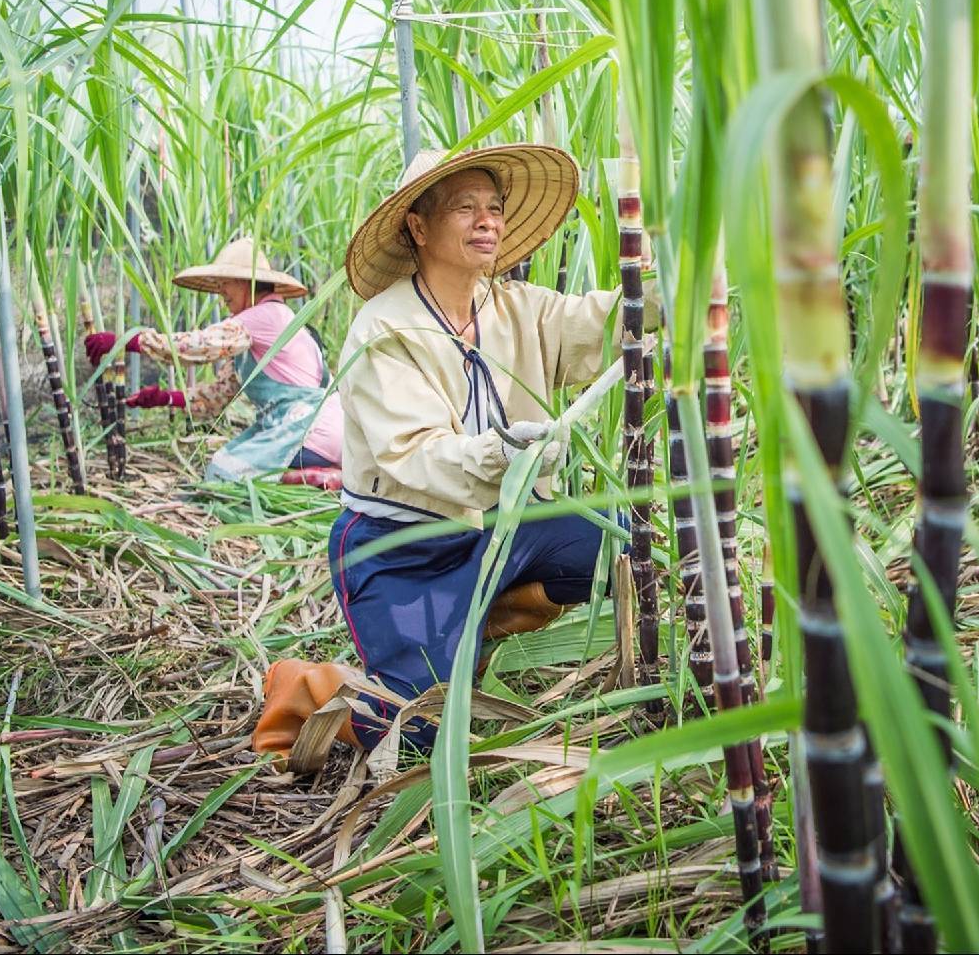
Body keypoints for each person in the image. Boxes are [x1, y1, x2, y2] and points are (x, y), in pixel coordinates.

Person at [253, 143, 640, 758]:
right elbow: (418, 456)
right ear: (418, 226)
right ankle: (303, 686)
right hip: (402, 547)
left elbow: (604, 322)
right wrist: (504, 453)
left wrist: (668, 285)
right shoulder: (383, 329)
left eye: (494, 207)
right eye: (465, 208)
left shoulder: (515, 306)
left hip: (493, 530)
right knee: (418, 733)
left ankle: (476, 621)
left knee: (615, 540)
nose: (487, 220)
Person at [84, 237, 344, 487]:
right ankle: (319, 475)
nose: (221, 292)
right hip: (313, 434)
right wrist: (165, 398)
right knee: (226, 467)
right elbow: (219, 395)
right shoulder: (267, 326)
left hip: (308, 434)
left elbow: (199, 346)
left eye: (225, 283)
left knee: (224, 475)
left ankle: (312, 478)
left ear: (247, 284)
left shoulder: (265, 316)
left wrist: (129, 342)